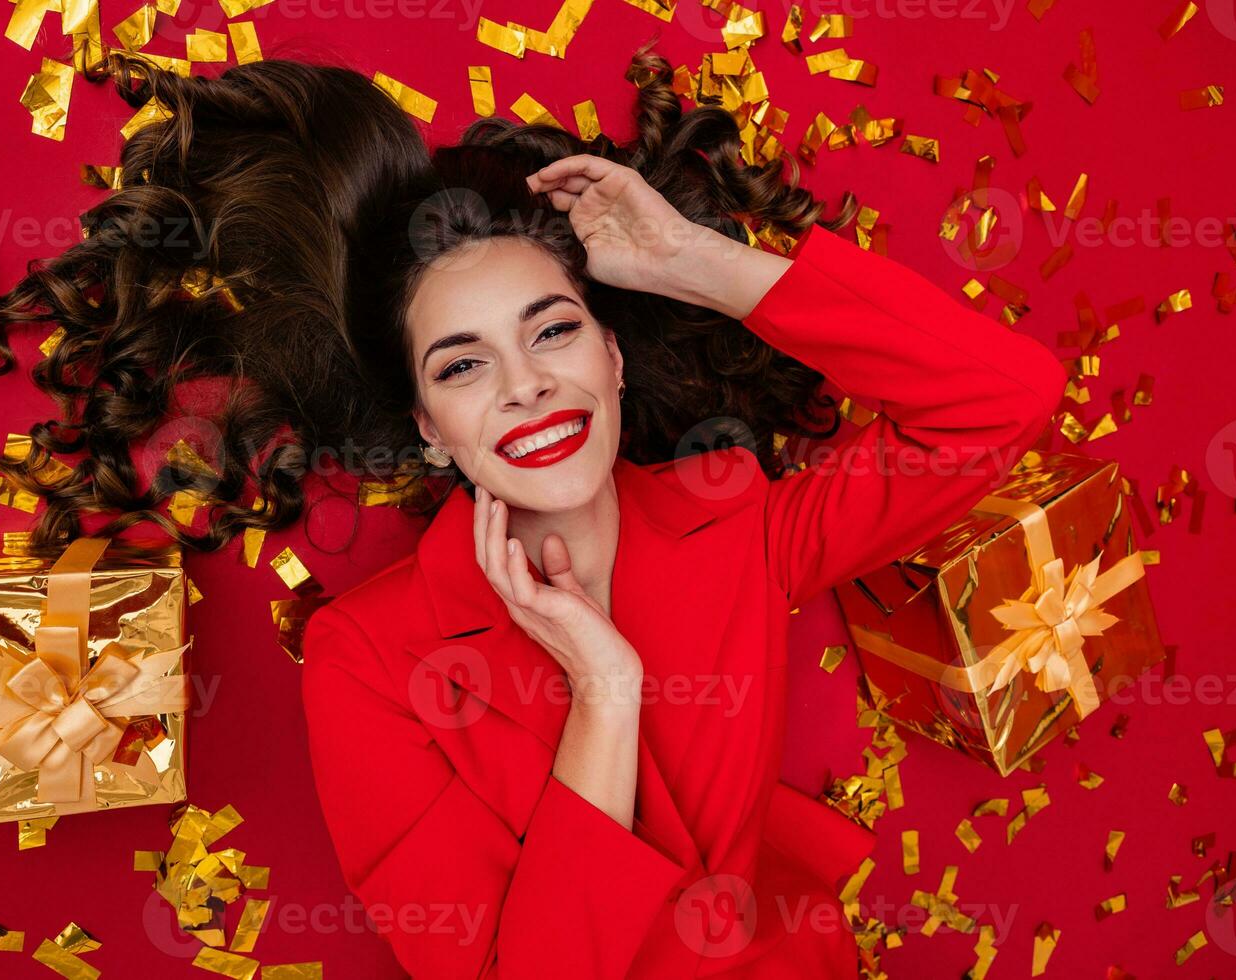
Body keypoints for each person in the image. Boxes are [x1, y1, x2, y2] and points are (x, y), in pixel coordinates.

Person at [299, 51, 1065, 980]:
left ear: (613, 358)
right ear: (428, 425)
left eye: (553, 329)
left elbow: (998, 403)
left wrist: (694, 263)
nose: (528, 385)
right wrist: (605, 693)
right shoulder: (368, 659)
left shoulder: (740, 530)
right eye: (464, 365)